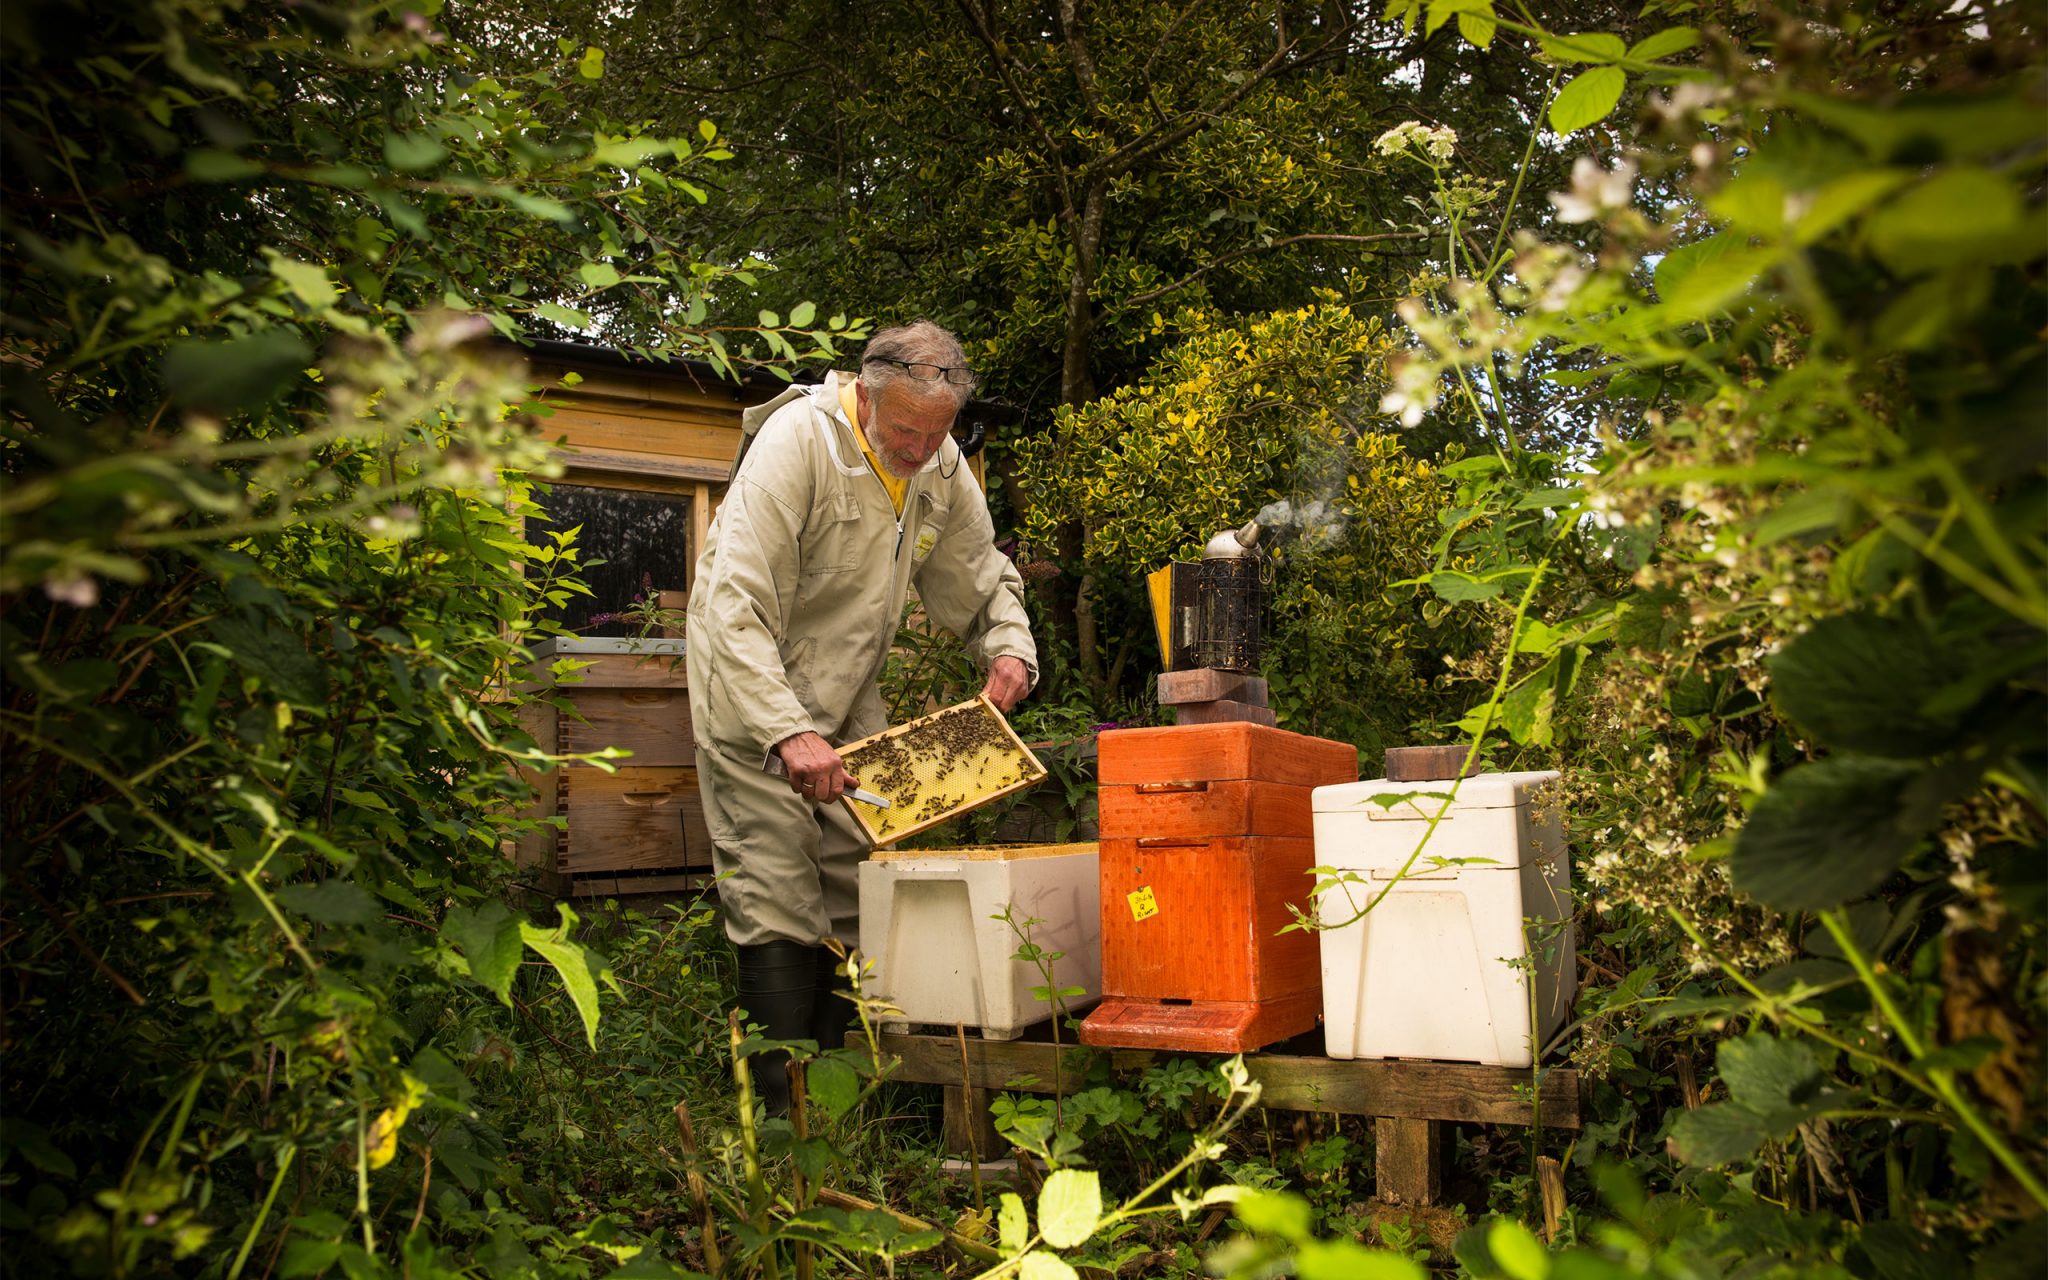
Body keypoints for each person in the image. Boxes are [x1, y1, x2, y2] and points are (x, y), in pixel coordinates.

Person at [685, 320, 1037, 1115]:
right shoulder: (796, 443)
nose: (920, 452)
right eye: (907, 432)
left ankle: (850, 1111)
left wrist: (1010, 648)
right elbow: (729, 605)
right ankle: (776, 1122)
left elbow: (981, 575)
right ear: (865, 395)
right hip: (752, 698)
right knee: (776, 889)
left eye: (938, 433)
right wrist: (785, 728)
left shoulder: (939, 462)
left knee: (855, 888)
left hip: (848, 701)